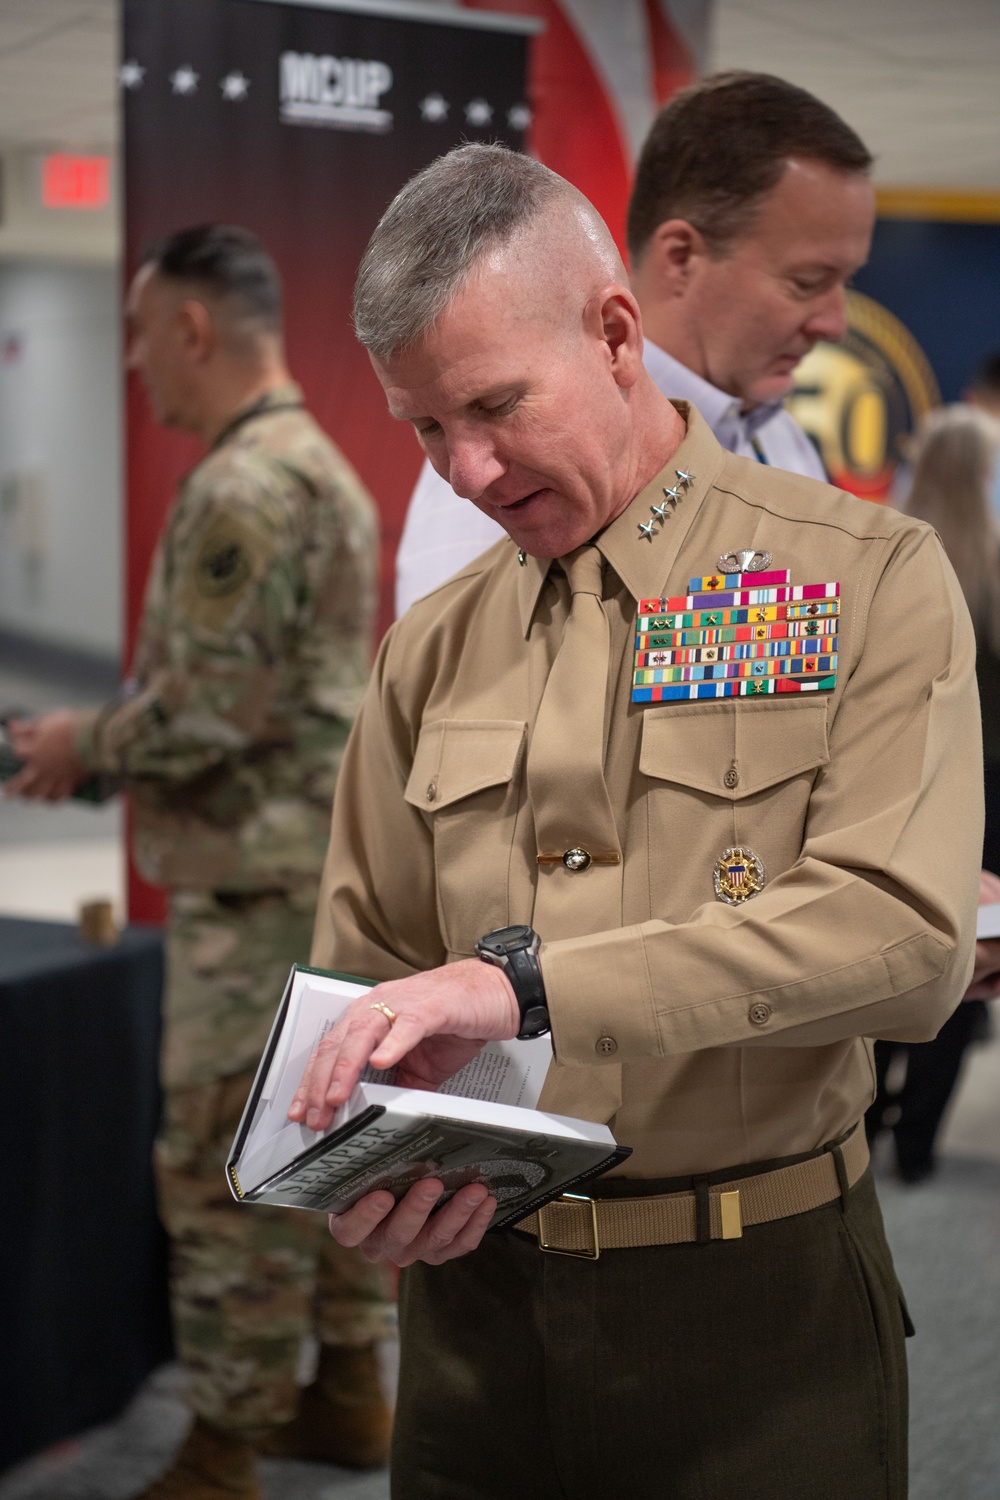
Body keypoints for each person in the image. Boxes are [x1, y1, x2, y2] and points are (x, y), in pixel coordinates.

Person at [290, 145, 981, 1499]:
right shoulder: (428, 648)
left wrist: (528, 991)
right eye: (425, 427)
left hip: (756, 1322)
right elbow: (360, 966)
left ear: (616, 333)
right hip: (473, 1336)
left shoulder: (857, 580)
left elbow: (907, 945)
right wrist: (358, 1162)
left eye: (493, 405)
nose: (468, 471)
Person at [6, 226, 393, 1499]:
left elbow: (213, 709)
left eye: (138, 333)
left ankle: (223, 1448)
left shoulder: (239, 488)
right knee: (329, 1147)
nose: (131, 363)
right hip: (317, 878)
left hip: (252, 895)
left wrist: (81, 742)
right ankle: (347, 1392)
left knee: (225, 1172)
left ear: (190, 328)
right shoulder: (321, 468)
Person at [395, 70, 875, 615]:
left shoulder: (783, 441)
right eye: (806, 282)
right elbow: (458, 678)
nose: (834, 323)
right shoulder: (505, 469)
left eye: (845, 282)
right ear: (681, 258)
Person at [868, 405, 1000, 1181]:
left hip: (903, 786)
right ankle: (917, 1147)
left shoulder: (886, 560)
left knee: (884, 944)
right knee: (969, 966)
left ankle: (861, 1118)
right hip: (992, 796)